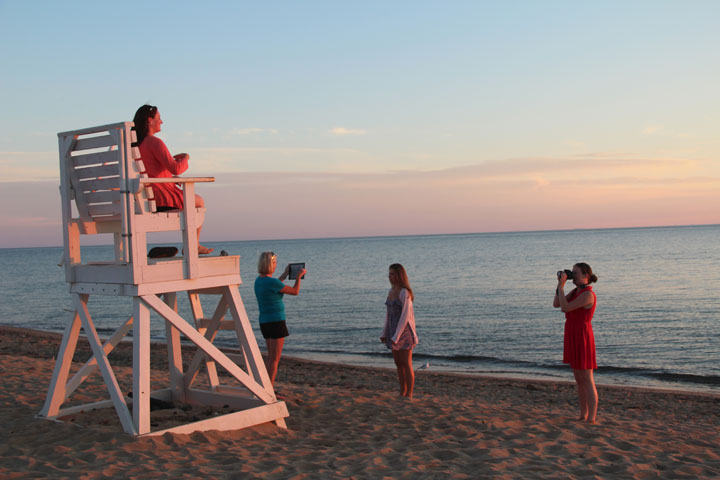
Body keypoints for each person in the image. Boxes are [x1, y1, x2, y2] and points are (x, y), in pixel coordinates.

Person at [132, 104, 213, 255]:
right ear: (149, 120)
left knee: (194, 202)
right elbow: (176, 168)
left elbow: (150, 171)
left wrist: (169, 177)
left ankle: (193, 245)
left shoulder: (137, 145)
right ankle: (192, 245)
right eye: (159, 118)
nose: (161, 122)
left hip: (145, 198)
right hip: (162, 198)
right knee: (199, 201)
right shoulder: (154, 142)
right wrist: (186, 158)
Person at [553, 262, 599, 424]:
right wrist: (560, 286)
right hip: (572, 333)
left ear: (586, 275)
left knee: (587, 378)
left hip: (583, 336)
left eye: (575, 273)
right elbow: (557, 304)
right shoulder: (575, 291)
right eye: (572, 272)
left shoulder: (587, 295)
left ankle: (591, 418)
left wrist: (561, 286)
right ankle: (582, 415)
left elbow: (565, 308)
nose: (573, 275)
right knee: (579, 379)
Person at [254, 251, 306, 387]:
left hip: (264, 322)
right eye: (275, 262)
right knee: (275, 360)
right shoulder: (272, 282)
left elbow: (275, 285)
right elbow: (295, 291)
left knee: (270, 358)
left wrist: (284, 275)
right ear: (270, 264)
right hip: (276, 322)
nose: (276, 265)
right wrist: (298, 277)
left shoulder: (259, 281)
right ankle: (269, 390)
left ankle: (265, 386)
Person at [380, 263, 419, 398]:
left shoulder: (404, 292)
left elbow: (405, 316)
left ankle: (409, 393)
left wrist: (397, 335)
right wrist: (384, 332)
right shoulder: (391, 292)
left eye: (392, 274)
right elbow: (388, 315)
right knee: (398, 363)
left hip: (404, 332)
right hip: (392, 330)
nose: (389, 277)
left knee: (406, 363)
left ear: (399, 275)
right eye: (389, 274)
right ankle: (402, 391)